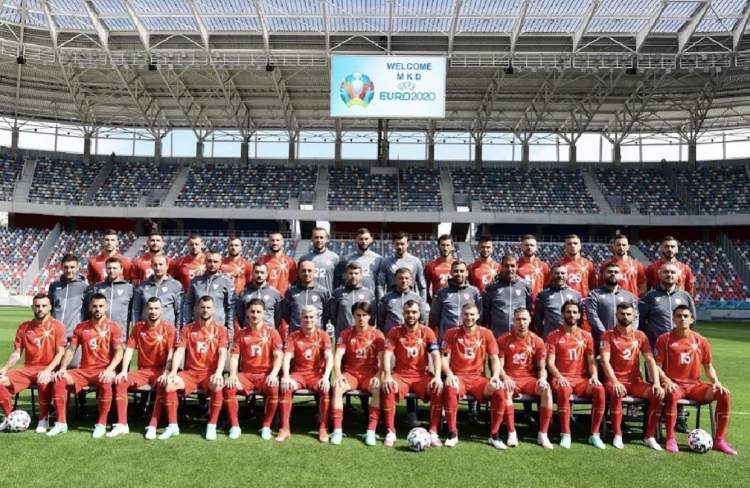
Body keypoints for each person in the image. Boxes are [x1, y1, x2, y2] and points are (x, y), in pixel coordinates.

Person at [655, 305, 737, 455]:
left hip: (695, 387)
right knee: (671, 394)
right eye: (679, 316)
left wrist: (716, 382)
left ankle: (720, 440)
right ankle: (670, 438)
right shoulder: (664, 339)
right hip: (675, 385)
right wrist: (666, 380)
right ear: (673, 319)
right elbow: (657, 366)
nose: (682, 318)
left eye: (686, 316)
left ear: (692, 319)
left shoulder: (702, 340)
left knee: (724, 394)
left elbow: (708, 366)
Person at [47, 294, 124, 438]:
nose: (97, 309)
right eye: (94, 306)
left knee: (106, 382)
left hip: (103, 370)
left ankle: (101, 424)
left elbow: (119, 352)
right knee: (59, 379)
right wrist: (63, 368)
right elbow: (71, 349)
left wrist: (109, 370)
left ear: (106, 307)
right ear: (89, 307)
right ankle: (61, 423)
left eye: (101, 306)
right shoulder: (81, 327)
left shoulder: (113, 327)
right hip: (84, 371)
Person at [158, 296, 228, 441]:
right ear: (197, 309)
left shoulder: (221, 330)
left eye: (208, 307)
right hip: (190, 373)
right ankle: (173, 426)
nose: (205, 310)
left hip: (209, 373)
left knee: (218, 384)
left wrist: (219, 372)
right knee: (170, 383)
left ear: (213, 310)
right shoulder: (188, 329)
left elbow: (223, 353)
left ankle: (212, 426)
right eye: (202, 307)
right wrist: (173, 371)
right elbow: (180, 351)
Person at [599, 302, 663, 450]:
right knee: (617, 391)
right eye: (622, 314)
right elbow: (604, 361)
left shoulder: (640, 336)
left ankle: (649, 436)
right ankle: (617, 434)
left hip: (635, 382)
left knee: (657, 394)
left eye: (628, 314)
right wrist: (615, 381)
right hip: (614, 381)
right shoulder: (607, 335)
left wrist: (656, 383)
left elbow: (650, 360)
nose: (625, 317)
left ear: (634, 316)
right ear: (616, 315)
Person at [380, 300, 443, 448]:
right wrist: (387, 376)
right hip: (401, 375)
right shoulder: (395, 331)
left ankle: (433, 431)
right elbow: (387, 355)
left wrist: (437, 376)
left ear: (419, 313)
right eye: (407, 312)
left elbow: (435, 355)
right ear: (403, 313)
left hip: (421, 376)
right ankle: (390, 431)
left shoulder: (427, 332)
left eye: (414, 312)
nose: (411, 315)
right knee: (388, 387)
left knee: (437, 388)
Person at [111, 297, 176, 439]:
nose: (153, 311)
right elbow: (129, 349)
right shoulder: (138, 327)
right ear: (146, 310)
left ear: (161, 310)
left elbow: (171, 352)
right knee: (121, 381)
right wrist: (124, 371)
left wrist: (166, 372)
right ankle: (122, 424)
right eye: (150, 308)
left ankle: (152, 425)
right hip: (142, 371)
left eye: (156, 308)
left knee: (163, 383)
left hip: (160, 370)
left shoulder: (169, 328)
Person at [0, 294, 66, 433]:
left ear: (50, 307)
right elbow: (17, 353)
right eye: (37, 306)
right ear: (32, 307)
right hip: (28, 369)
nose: (40, 309)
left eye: (43, 306)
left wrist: (48, 370)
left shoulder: (58, 326)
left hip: (48, 368)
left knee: (43, 380)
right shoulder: (24, 327)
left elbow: (60, 353)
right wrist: (4, 369)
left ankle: (44, 419)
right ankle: (10, 417)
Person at [441, 302, 503, 448]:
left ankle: (494, 435)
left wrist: (495, 376)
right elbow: (444, 357)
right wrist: (449, 374)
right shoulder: (451, 333)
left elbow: (494, 358)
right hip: (459, 377)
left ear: (478, 316)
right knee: (450, 388)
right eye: (466, 314)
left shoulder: (486, 333)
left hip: (478, 379)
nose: (469, 317)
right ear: (461, 315)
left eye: (472, 315)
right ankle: (452, 433)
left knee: (499, 390)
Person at [545, 300, 606, 449]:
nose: (571, 315)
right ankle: (566, 434)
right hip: (561, 377)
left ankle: (594, 434)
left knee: (599, 390)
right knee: (564, 390)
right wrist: (559, 377)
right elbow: (550, 363)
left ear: (579, 315)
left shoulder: (586, 336)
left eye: (574, 312)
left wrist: (594, 376)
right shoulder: (553, 336)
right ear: (562, 314)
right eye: (568, 312)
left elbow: (591, 361)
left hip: (580, 380)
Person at [224, 299, 283, 441]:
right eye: (252, 312)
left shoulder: (272, 333)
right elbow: (234, 357)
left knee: (274, 387)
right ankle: (235, 426)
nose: (255, 315)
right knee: (229, 387)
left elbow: (278, 356)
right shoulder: (240, 334)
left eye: (258, 312)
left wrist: (274, 374)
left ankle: (266, 426)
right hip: (246, 375)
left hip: (265, 375)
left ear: (264, 314)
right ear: (247, 313)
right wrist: (232, 375)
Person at [497, 308, 554, 449]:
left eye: (524, 319)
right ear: (513, 320)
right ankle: (511, 432)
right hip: (511, 378)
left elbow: (542, 368)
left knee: (546, 390)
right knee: (505, 390)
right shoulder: (503, 339)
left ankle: (543, 434)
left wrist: (543, 379)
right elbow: (499, 367)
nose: (521, 323)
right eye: (518, 319)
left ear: (529, 320)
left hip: (529, 379)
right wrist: (505, 378)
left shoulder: (537, 341)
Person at [330, 302, 385, 446]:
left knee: (377, 388)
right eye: (358, 315)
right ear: (353, 316)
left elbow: (383, 359)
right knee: (337, 387)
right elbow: (338, 356)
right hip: (351, 374)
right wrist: (338, 375)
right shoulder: (346, 333)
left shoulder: (377, 334)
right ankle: (337, 430)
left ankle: (371, 431)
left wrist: (378, 376)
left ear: (370, 316)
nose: (361, 318)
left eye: (364, 315)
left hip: (369, 374)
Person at [277, 306, 333, 443]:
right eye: (305, 317)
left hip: (316, 375)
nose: (308, 320)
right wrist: (286, 376)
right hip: (299, 375)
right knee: (286, 387)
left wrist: (326, 377)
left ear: (316, 318)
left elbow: (329, 357)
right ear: (300, 318)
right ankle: (284, 428)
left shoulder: (323, 335)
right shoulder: (293, 336)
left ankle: (323, 428)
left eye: (311, 317)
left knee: (325, 388)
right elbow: (287, 357)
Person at [639, 263, 696, 348]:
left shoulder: (685, 296)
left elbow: (692, 319)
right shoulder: (649, 296)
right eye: (666, 272)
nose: (669, 275)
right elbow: (641, 321)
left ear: (677, 276)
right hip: (656, 345)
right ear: (659, 275)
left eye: (673, 272)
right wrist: (651, 336)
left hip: (680, 344)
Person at [183, 251, 235, 335]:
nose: (212, 264)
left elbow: (230, 307)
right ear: (205, 261)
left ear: (220, 263)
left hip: (218, 329)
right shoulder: (196, 281)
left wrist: (230, 331)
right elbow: (188, 304)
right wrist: (186, 325)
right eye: (209, 261)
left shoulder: (226, 282)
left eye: (215, 262)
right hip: (197, 329)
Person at [586, 263, 638, 346]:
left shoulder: (629, 296)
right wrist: (606, 335)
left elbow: (635, 317)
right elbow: (592, 316)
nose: (613, 274)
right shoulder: (594, 295)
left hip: (624, 342)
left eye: (616, 272)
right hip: (601, 341)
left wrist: (629, 333)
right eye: (609, 272)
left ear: (620, 276)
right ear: (603, 275)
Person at [482, 253, 531, 338]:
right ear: (501, 267)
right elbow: (485, 313)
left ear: (517, 266)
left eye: (512, 266)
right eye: (506, 266)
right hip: (497, 336)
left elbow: (529, 307)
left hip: (518, 337)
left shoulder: (525, 286)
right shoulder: (492, 287)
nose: (509, 269)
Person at [430, 260, 481, 339]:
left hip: (469, 338)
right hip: (447, 338)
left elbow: (479, 315)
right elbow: (435, 317)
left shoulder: (474, 292)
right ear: (451, 273)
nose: (459, 274)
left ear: (467, 273)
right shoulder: (441, 292)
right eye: (456, 271)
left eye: (462, 271)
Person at [280, 259, 330, 336]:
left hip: (317, 336)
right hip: (295, 335)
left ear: (314, 272)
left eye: (309, 271)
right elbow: (286, 314)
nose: (306, 273)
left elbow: (327, 314)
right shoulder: (291, 291)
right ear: (299, 272)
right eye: (304, 271)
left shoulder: (323, 291)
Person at [132, 254, 182, 327]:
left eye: (161, 264)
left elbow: (179, 312)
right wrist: (136, 329)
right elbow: (136, 311)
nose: (158, 268)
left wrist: (177, 331)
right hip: (146, 330)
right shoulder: (142, 287)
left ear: (167, 266)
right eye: (155, 265)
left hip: (167, 330)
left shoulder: (176, 286)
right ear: (151, 266)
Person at [554, 235, 596, 318]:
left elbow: (593, 286)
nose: (572, 246)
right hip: (564, 303)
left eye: (575, 243)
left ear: (580, 246)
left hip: (583, 304)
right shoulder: (558, 264)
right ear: (565, 246)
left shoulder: (588, 264)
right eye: (569, 244)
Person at [329, 262, 376, 337]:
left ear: (361, 275)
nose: (353, 276)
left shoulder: (369, 294)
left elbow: (372, 317)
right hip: (343, 335)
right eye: (350, 273)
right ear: (345, 275)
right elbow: (333, 316)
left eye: (356, 273)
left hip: (363, 336)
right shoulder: (337, 293)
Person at [534, 265, 581, 340]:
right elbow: (538, 319)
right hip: (551, 338)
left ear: (567, 275)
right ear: (551, 275)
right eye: (557, 273)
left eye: (562, 273)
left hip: (572, 337)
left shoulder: (575, 294)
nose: (560, 276)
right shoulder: (543, 295)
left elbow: (580, 318)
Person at [89, 258, 134, 334]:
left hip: (120, 332)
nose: (112, 271)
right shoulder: (97, 287)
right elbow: (90, 309)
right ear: (106, 270)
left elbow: (133, 311)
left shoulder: (129, 288)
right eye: (109, 268)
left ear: (121, 270)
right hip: (99, 332)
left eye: (115, 268)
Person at [377, 232, 426, 302]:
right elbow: (380, 285)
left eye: (402, 244)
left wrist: (422, 304)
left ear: (407, 244)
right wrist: (381, 302)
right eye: (397, 244)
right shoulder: (386, 262)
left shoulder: (416, 262)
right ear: (393, 244)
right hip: (392, 302)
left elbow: (422, 286)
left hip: (410, 304)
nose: (399, 247)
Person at [49, 253, 89, 339]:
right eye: (66, 267)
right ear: (62, 267)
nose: (69, 270)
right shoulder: (54, 286)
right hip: (55, 334)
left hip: (74, 336)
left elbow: (87, 312)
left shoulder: (84, 287)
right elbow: (49, 308)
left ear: (77, 267)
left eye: (72, 267)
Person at [377, 268, 426, 333]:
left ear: (411, 280)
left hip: (411, 336)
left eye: (406, 278)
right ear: (395, 280)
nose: (404, 281)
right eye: (401, 278)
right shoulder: (386, 299)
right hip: (391, 336)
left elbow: (422, 321)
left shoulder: (418, 299)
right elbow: (380, 321)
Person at [236, 262, 282, 329]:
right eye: (256, 272)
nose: (259, 275)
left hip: (268, 332)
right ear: (252, 273)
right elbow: (240, 315)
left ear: (267, 274)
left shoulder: (275, 293)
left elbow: (278, 316)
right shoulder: (243, 293)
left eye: (262, 272)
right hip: (249, 332)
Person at [337, 227, 382, 292]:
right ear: (356, 240)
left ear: (371, 239)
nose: (364, 242)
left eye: (366, 239)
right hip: (351, 295)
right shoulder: (346, 259)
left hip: (370, 296)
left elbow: (379, 284)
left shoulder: (378, 259)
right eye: (361, 239)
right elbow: (341, 281)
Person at [301, 227, 340, 295]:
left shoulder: (335, 258)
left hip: (328, 297)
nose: (319, 240)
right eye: (316, 237)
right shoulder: (304, 259)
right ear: (312, 239)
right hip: (309, 296)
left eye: (321, 237)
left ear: (326, 239)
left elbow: (338, 280)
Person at [259, 231, 297, 296]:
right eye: (272, 240)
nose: (275, 243)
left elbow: (294, 282)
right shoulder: (261, 260)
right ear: (269, 242)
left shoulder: (290, 262)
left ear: (282, 242)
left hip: (283, 298)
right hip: (265, 297)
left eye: (277, 240)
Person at [517, 234, 550, 303]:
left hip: (538, 303)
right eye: (526, 245)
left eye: (532, 245)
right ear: (521, 247)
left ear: (536, 248)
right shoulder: (515, 265)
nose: (529, 247)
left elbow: (547, 285)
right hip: (520, 303)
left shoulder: (543, 266)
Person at [424, 234, 456, 301]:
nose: (445, 248)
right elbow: (425, 288)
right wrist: (430, 302)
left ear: (452, 247)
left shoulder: (457, 265)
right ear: (438, 246)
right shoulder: (430, 266)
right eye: (443, 245)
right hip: (437, 303)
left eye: (447, 245)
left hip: (454, 302)